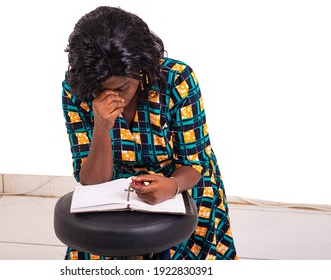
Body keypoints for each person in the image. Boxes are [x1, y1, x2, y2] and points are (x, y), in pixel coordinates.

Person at [62, 6, 238, 260]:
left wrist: (172, 186)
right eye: (102, 90)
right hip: (114, 192)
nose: (116, 97)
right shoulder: (75, 89)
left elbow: (195, 164)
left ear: (141, 67)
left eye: (123, 87)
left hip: (183, 184)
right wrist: (102, 125)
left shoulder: (177, 79)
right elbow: (91, 183)